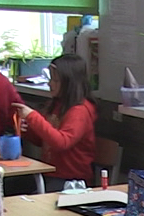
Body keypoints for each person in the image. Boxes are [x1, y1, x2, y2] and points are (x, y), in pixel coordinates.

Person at [11, 53, 97, 190]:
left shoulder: (80, 110)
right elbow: (45, 141)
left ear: (69, 83)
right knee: (9, 185)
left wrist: (33, 117)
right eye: (50, 79)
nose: (50, 83)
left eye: (56, 80)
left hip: (71, 180)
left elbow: (61, 142)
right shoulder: (56, 104)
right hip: (50, 173)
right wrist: (27, 129)